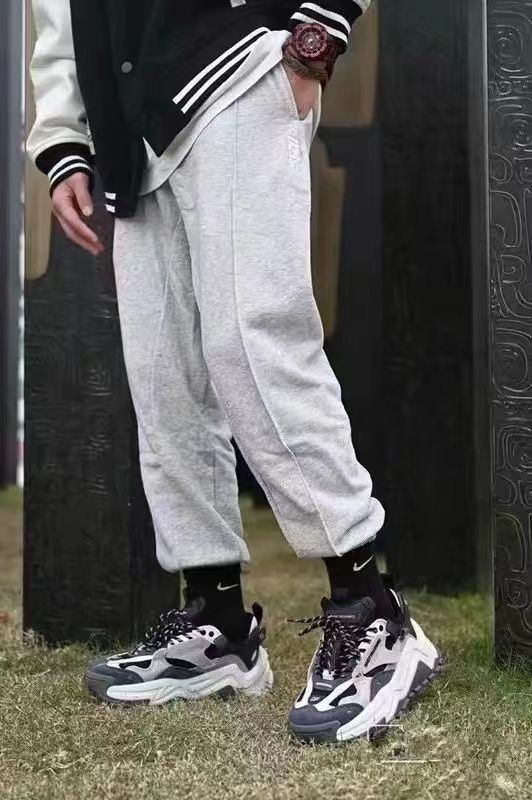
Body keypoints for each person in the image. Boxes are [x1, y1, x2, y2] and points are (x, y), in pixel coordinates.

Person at [28, 0, 442, 743]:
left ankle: (372, 611)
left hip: (235, 67)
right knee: (165, 380)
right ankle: (218, 622)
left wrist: (316, 40)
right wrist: (64, 135)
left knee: (256, 346)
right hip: (130, 121)